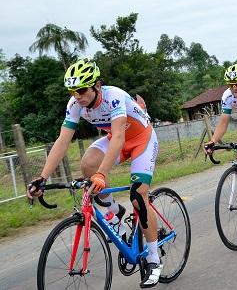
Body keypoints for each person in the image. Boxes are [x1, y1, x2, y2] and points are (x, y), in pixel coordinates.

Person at [26, 58, 162, 288]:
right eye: (73, 91)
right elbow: (62, 141)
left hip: (142, 140)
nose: (77, 96)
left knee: (138, 197)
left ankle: (153, 258)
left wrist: (102, 174)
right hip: (115, 140)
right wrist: (43, 177)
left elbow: (119, 137)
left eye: (81, 90)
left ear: (97, 86)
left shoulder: (114, 96)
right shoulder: (75, 104)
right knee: (87, 165)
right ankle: (113, 213)